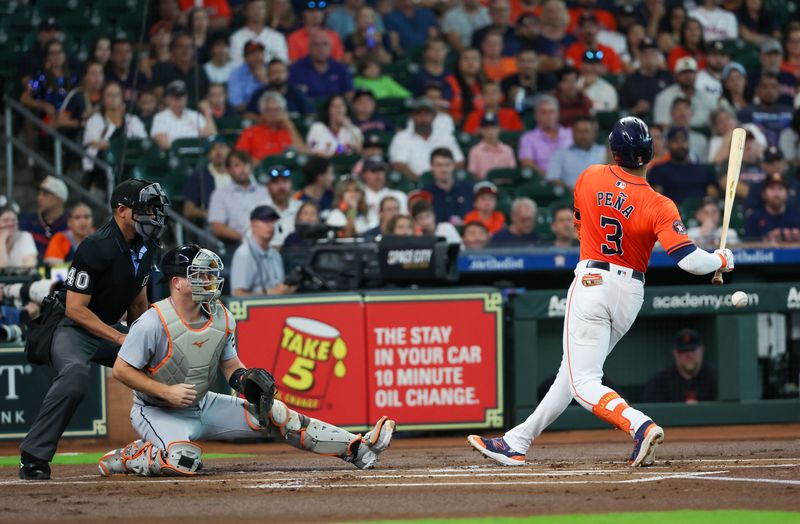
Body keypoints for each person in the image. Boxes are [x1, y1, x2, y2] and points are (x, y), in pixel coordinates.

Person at [468, 117, 736, 468]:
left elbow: (580, 226)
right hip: (630, 294)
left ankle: (639, 425)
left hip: (594, 281)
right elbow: (688, 261)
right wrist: (721, 258)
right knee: (571, 374)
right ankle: (516, 441)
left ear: (613, 150)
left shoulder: (591, 176)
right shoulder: (660, 204)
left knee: (583, 383)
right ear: (649, 154)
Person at [98, 243, 394, 477]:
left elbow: (230, 366)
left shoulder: (222, 316)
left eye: (209, 273)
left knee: (276, 414)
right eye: (199, 274)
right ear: (177, 282)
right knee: (184, 461)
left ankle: (357, 449)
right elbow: (122, 371)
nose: (209, 280)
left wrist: (245, 380)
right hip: (157, 409)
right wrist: (166, 391)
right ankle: (134, 456)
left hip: (204, 404)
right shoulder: (153, 321)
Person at [19, 180, 169, 480]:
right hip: (71, 326)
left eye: (155, 209)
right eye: (146, 208)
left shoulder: (148, 244)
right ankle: (33, 457)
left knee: (163, 365)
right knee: (75, 375)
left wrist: (146, 340)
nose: (153, 215)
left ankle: (169, 446)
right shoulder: (95, 246)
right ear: (122, 210)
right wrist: (119, 336)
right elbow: (75, 308)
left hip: (111, 327)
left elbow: (138, 301)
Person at [82, 82, 148, 191]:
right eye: (109, 95)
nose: (113, 99)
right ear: (103, 99)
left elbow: (143, 142)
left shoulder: (132, 120)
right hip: (102, 166)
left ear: (122, 98)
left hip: (130, 163)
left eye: (116, 95)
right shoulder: (95, 120)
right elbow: (94, 143)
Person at [389, 98, 464, 181]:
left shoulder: (445, 136)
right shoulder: (401, 137)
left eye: (427, 114)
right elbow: (399, 164)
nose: (423, 118)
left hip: (443, 182)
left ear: (434, 116)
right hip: (414, 184)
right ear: (413, 116)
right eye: (419, 114)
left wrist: (442, 177)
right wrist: (420, 182)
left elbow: (459, 161)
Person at [208, 151, 269, 246]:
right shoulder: (220, 194)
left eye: (245, 164)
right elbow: (218, 228)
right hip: (236, 244)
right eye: (237, 165)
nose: (243, 168)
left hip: (267, 242)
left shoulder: (264, 191)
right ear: (228, 170)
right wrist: (247, 239)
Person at [230, 206, 295, 296]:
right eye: (265, 220)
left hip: (277, 307)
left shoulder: (276, 255)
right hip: (254, 309)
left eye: (273, 221)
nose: (270, 225)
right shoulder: (244, 253)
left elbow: (279, 289)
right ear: (253, 224)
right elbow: (238, 294)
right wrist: (272, 293)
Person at [643, 329, 718, 403]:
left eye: (693, 350)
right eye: (683, 351)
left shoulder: (715, 379)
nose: (689, 355)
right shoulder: (659, 382)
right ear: (675, 353)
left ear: (702, 350)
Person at [648, 128, 719, 205]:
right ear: (668, 144)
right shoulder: (658, 170)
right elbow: (658, 200)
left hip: (702, 212)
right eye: (676, 142)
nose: (680, 145)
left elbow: (713, 196)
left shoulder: (702, 170)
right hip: (673, 213)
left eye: (684, 141)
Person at [236, 91, 305, 163]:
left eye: (277, 109)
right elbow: (240, 158)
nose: (273, 114)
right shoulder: (250, 132)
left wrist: (290, 127)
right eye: (268, 110)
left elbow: (303, 154)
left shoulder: (289, 131)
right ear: (262, 112)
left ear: (284, 111)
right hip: (260, 170)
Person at [288, 30, 355, 101]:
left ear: (331, 47)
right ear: (309, 47)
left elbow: (349, 92)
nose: (320, 48)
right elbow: (293, 95)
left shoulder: (340, 68)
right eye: (316, 44)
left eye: (324, 44)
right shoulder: (296, 68)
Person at [653, 57, 717, 128]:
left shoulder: (707, 96)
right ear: (676, 76)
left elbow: (715, 122)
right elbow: (663, 125)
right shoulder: (664, 96)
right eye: (684, 73)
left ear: (696, 75)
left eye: (691, 72)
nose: (688, 76)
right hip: (675, 136)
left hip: (703, 136)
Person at [150, 80, 217, 150]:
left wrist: (207, 112)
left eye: (181, 97)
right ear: (167, 99)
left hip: (197, 154)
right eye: (175, 98)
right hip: (173, 156)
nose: (179, 101)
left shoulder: (194, 115)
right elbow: (163, 144)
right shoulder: (160, 117)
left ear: (186, 98)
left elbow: (212, 135)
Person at [518, 95, 573, 178]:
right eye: (544, 112)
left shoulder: (571, 134)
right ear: (536, 116)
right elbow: (527, 163)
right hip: (542, 182)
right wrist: (550, 177)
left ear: (558, 114)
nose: (548, 116)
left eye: (552, 112)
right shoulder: (528, 138)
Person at [151, 33, 211, 108]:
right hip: (169, 111)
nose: (185, 50)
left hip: (195, 114)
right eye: (180, 47)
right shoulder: (161, 68)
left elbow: (205, 96)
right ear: (173, 50)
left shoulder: (200, 70)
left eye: (189, 47)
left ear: (193, 51)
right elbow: (158, 95)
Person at [547, 116, 606, 189]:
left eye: (586, 131)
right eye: (579, 131)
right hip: (571, 197)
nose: (583, 136)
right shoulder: (560, 155)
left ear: (594, 134)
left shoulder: (605, 152)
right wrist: (573, 190)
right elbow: (553, 178)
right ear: (572, 133)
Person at [182, 136, 231, 224]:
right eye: (213, 149)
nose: (218, 152)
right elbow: (188, 210)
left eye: (221, 147)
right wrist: (209, 213)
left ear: (229, 150)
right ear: (208, 155)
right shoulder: (199, 176)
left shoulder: (240, 173)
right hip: (215, 223)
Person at [619, 38, 673, 118]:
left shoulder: (667, 77)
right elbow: (622, 111)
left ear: (658, 57)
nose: (649, 58)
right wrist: (634, 110)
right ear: (640, 57)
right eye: (645, 54)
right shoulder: (630, 81)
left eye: (652, 54)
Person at [738, 73, 794, 147]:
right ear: (757, 91)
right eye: (764, 87)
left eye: (773, 87)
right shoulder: (746, 112)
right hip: (758, 153)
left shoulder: (791, 112)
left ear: (779, 90)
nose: (769, 90)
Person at [20, 176, 69, 261]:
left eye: (45, 194)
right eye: (39, 193)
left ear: (58, 199)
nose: (39, 198)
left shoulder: (70, 225)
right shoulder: (28, 221)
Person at [245, 59, 314, 117]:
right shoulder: (259, 94)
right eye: (274, 72)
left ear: (287, 74)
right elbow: (248, 115)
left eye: (281, 72)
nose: (278, 76)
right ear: (268, 75)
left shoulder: (297, 93)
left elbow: (311, 115)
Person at [744, 172, 800, 243]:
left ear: (787, 194)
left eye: (780, 189)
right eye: (772, 188)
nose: (776, 193)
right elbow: (747, 247)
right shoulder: (754, 219)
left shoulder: (797, 216)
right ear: (763, 194)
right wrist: (766, 240)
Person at [423, 148, 473, 226]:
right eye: (439, 165)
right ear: (432, 167)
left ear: (453, 166)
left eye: (447, 165)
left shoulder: (468, 189)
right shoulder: (425, 193)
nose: (444, 169)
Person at [229, 0, 289, 64]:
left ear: (266, 11)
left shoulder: (278, 37)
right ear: (245, 11)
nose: (257, 12)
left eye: (261, 8)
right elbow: (236, 65)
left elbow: (282, 64)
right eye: (253, 8)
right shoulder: (236, 38)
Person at [501, 48, 556, 113]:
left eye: (530, 61)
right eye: (522, 61)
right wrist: (511, 100)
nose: (527, 65)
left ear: (537, 62)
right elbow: (503, 108)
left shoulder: (548, 81)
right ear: (517, 63)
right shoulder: (507, 82)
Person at [260, 165, 303, 248]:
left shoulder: (301, 208)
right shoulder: (259, 210)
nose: (281, 187)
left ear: (291, 184)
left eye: (285, 181)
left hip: (298, 256)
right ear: (268, 186)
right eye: (275, 182)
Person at [57, 61, 104, 133]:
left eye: (100, 73)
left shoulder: (108, 95)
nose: (97, 76)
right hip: (78, 140)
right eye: (93, 73)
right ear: (84, 77)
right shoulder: (76, 95)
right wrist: (80, 123)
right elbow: (61, 121)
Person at [468, 113, 517, 181]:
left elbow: (512, 173)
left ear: (499, 129)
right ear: (481, 130)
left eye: (493, 127)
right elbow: (473, 174)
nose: (490, 131)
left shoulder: (508, 150)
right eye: (486, 128)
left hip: (504, 186)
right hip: (484, 187)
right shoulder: (475, 151)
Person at [360, 157, 406, 228]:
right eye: (373, 171)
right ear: (364, 174)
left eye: (381, 170)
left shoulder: (399, 195)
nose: (378, 174)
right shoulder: (358, 196)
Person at [43, 203, 94, 268]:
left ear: (92, 220)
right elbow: (54, 268)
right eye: (77, 217)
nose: (83, 221)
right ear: (69, 222)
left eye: (86, 217)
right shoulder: (60, 239)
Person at [227, 41, 270, 111]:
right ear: (245, 58)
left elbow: (281, 97)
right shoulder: (236, 74)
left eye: (260, 53)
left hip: (272, 111)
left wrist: (265, 82)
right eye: (253, 53)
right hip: (246, 113)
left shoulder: (271, 69)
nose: (257, 57)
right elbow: (236, 105)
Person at [106, 38, 149, 103]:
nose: (124, 55)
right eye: (120, 52)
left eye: (128, 51)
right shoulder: (106, 77)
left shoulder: (140, 77)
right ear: (112, 56)